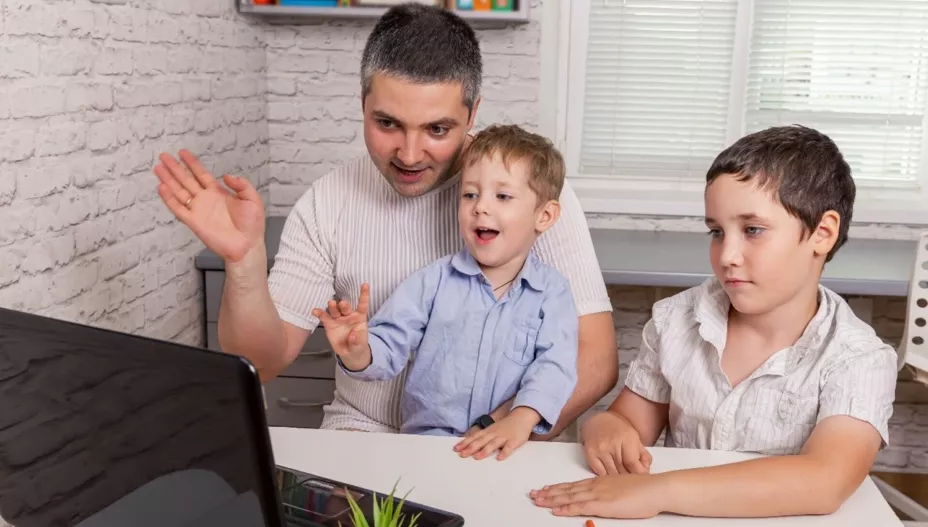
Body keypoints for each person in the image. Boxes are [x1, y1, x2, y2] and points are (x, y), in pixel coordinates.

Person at [151, 3, 617, 438]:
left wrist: (492, 433)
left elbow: (595, 359)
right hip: (363, 433)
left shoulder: (530, 191)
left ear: (472, 113)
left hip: (498, 439)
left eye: (437, 129)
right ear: (363, 104)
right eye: (388, 124)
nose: (409, 156)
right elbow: (261, 361)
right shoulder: (327, 202)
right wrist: (245, 262)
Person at [530, 125, 898, 519]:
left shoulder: (859, 358)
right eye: (717, 232)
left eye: (753, 230)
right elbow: (627, 421)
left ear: (822, 233)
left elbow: (824, 481)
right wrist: (604, 428)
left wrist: (657, 491)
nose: (728, 255)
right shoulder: (677, 321)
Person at [312, 125, 579, 460]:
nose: (480, 207)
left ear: (544, 215)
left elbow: (555, 367)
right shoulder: (432, 282)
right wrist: (357, 351)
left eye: (503, 196)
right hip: (429, 447)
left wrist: (520, 420)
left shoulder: (552, 294)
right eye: (470, 194)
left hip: (509, 447)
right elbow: (389, 343)